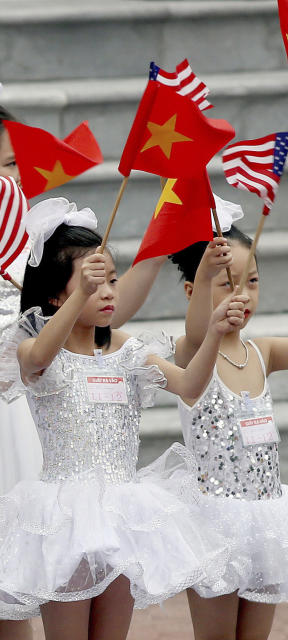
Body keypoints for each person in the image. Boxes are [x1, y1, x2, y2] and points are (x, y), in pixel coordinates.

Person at [0, 198, 245, 640]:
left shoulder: (130, 351)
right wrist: (82, 291)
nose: (108, 292)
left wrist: (213, 331)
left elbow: (190, 386)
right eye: (92, 283)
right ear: (53, 294)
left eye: (111, 281)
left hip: (122, 513)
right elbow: (38, 356)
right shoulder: (33, 348)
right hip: (62, 517)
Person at [169, 220, 288, 640]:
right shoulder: (191, 352)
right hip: (214, 522)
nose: (243, 296)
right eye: (227, 284)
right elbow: (198, 331)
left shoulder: (264, 351)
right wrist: (204, 275)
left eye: (251, 282)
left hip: (268, 517)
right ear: (194, 294)